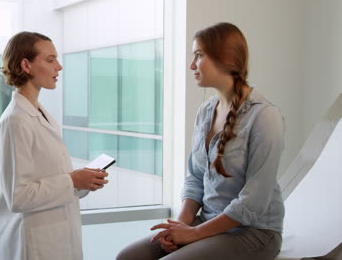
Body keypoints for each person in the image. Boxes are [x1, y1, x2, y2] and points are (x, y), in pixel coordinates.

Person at [117, 22, 285, 260]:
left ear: (225, 59)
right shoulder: (206, 112)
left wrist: (194, 233)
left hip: (254, 231)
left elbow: (253, 202)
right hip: (207, 221)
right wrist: (179, 227)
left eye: (198, 56)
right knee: (129, 257)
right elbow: (195, 178)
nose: (191, 65)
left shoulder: (264, 117)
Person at [0, 31, 109, 260]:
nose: (59, 66)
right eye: (50, 60)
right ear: (26, 65)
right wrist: (73, 180)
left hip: (59, 238)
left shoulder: (40, 114)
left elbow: (51, 177)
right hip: (33, 244)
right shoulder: (15, 121)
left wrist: (83, 181)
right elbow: (18, 197)